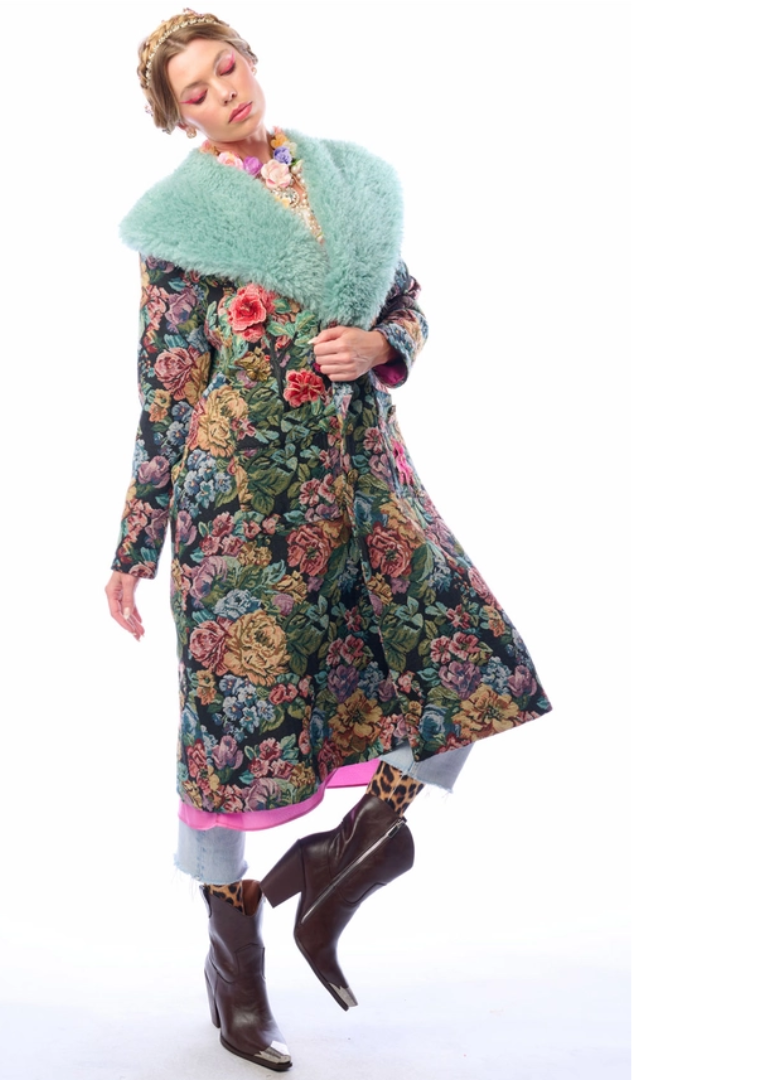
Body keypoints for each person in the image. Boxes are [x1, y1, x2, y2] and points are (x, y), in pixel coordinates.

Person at [104, 9, 554, 1071]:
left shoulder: (352, 181)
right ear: (179, 120)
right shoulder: (179, 225)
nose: (223, 93)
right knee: (232, 734)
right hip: (237, 507)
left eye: (227, 68)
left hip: (362, 483)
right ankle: (235, 963)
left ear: (251, 60)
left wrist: (384, 342)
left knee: (463, 656)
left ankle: (346, 859)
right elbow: (167, 388)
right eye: (196, 93)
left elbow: (410, 301)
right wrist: (136, 546)